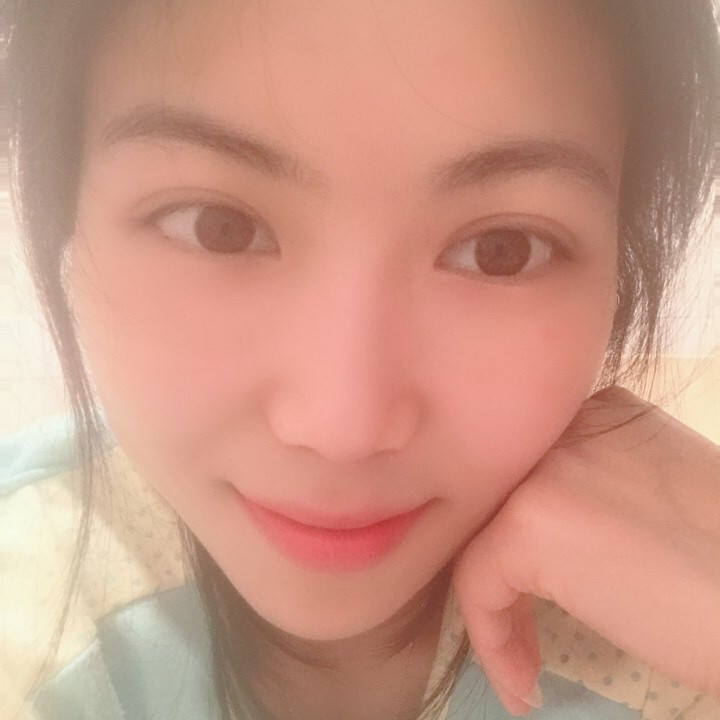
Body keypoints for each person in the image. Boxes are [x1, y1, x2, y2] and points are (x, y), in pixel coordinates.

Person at [1, 1, 718, 719]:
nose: (343, 429)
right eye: (220, 228)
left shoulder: (670, 627)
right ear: (68, 217)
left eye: (500, 251)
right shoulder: (32, 618)